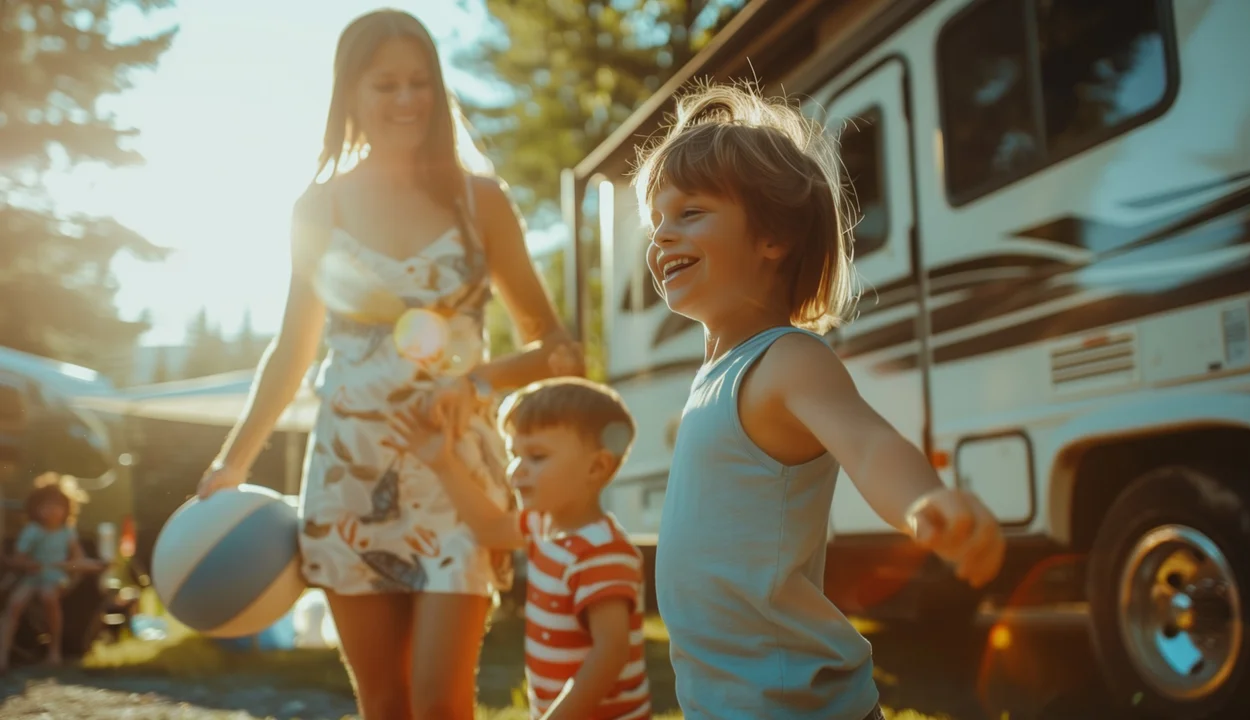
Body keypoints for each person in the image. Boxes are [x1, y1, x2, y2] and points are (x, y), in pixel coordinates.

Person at [194, 9, 582, 719]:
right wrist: (234, 461)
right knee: (383, 703)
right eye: (386, 85)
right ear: (350, 94)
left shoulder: (480, 200)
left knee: (440, 703)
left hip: (455, 476)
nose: (407, 100)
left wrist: (479, 381)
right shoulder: (318, 208)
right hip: (348, 474)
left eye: (420, 82)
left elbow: (559, 349)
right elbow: (292, 350)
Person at [632, 82, 1007, 719]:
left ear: (772, 237)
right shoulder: (712, 378)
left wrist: (924, 501)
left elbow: (868, 441)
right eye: (657, 220)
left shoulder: (787, 360)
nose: (662, 236)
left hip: (796, 706)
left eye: (690, 213)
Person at [388, 377, 652, 720]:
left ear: (597, 467)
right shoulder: (542, 525)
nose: (516, 472)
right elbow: (491, 529)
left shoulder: (602, 553)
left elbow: (611, 653)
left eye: (537, 456)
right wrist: (443, 464)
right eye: (515, 455)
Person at [0, 473, 105, 672]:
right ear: (35, 509)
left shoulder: (67, 532)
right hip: (33, 577)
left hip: (54, 577)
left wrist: (95, 564)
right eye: (46, 506)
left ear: (67, 509)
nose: (52, 511)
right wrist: (28, 563)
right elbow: (19, 558)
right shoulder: (33, 531)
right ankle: (2, 656)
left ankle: (54, 652)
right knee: (15, 604)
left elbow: (78, 560)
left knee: (49, 597)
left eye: (57, 506)